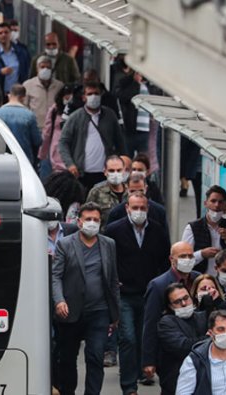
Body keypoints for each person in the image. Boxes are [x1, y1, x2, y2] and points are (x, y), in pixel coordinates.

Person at [104, 192, 170, 395]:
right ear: (127, 208)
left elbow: (164, 262)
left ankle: (144, 370)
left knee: (145, 336)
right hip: (124, 294)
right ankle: (129, 386)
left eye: (142, 207)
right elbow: (108, 260)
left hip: (149, 293)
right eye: (135, 207)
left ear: (148, 208)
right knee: (128, 338)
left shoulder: (157, 231)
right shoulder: (114, 230)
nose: (139, 211)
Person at [52, 202, 120, 395]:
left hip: (99, 311)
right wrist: (59, 300)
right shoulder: (65, 244)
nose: (92, 223)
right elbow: (55, 276)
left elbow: (113, 279)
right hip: (71, 310)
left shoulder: (108, 244)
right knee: (67, 358)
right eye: (88, 219)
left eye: (96, 220)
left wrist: (115, 312)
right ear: (79, 222)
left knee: (95, 356)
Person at [141, 241, 201, 384]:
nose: (187, 260)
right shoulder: (158, 285)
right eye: (182, 256)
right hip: (170, 353)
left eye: (190, 256)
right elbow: (150, 323)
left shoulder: (199, 279)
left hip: (197, 348)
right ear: (171, 259)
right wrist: (148, 360)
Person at [59, 82, 126, 192]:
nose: (93, 97)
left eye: (96, 93)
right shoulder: (75, 117)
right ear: (84, 97)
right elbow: (63, 142)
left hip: (105, 174)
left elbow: (120, 141)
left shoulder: (110, 115)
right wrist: (70, 164)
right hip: (82, 174)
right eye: (90, 94)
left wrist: (123, 160)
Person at [181, 185, 226, 275]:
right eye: (213, 201)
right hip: (201, 280)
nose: (217, 205)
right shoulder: (192, 228)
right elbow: (183, 260)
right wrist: (202, 254)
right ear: (206, 203)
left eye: (221, 202)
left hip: (225, 280)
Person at [157, 283, 208, 395]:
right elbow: (183, 347)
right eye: (177, 302)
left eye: (186, 298)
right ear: (170, 306)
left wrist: (217, 301)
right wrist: (209, 338)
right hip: (176, 383)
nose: (184, 304)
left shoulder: (202, 317)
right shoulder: (166, 323)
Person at [115, 68, 162, 158]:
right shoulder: (127, 84)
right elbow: (124, 97)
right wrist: (135, 83)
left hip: (146, 130)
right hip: (130, 130)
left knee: (144, 159)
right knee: (127, 157)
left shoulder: (151, 86)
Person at [0, 84, 41, 166]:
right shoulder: (29, 115)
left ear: (9, 95)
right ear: (24, 97)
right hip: (24, 159)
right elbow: (37, 140)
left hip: (1, 158)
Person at [0, 22, 30, 101]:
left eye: (6, 32)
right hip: (0, 94)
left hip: (18, 94)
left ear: (10, 34)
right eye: (0, 33)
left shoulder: (21, 52)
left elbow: (27, 70)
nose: (3, 35)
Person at [38, 85, 73, 178]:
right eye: (66, 97)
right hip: (56, 149)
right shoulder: (55, 110)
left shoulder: (79, 112)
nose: (69, 99)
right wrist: (43, 153)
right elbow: (47, 132)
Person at [23, 56, 64, 131]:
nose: (45, 69)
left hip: (54, 128)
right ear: (37, 68)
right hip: (35, 127)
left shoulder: (59, 86)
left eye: (48, 67)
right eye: (42, 67)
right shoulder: (28, 85)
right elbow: (24, 107)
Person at [85, 155, 127, 225]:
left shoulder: (130, 191)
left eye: (119, 170)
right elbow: (88, 215)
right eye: (111, 170)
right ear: (105, 172)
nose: (115, 174)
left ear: (124, 171)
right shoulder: (96, 192)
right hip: (104, 233)